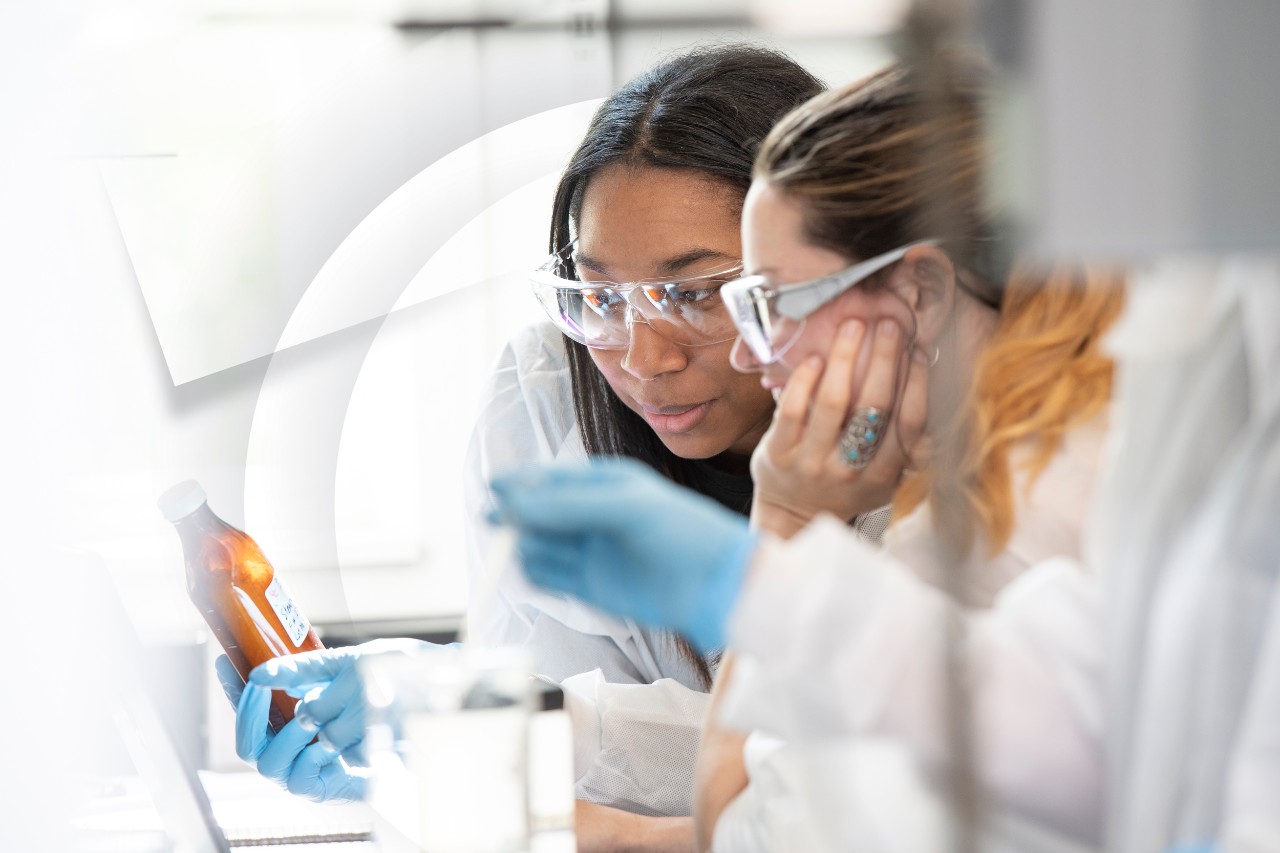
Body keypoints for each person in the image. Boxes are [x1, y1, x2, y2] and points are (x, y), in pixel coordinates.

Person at [220, 43, 868, 852]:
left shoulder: (905, 429)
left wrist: (529, 720)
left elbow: (847, 759)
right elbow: (569, 753)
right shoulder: (544, 392)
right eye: (599, 296)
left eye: (696, 293)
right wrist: (434, 725)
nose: (643, 356)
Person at [489, 55, 1132, 850]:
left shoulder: (1014, 521)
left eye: (762, 301)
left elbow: (754, 827)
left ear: (922, 296)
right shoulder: (1029, 462)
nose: (758, 358)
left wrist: (783, 524)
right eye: (602, 298)